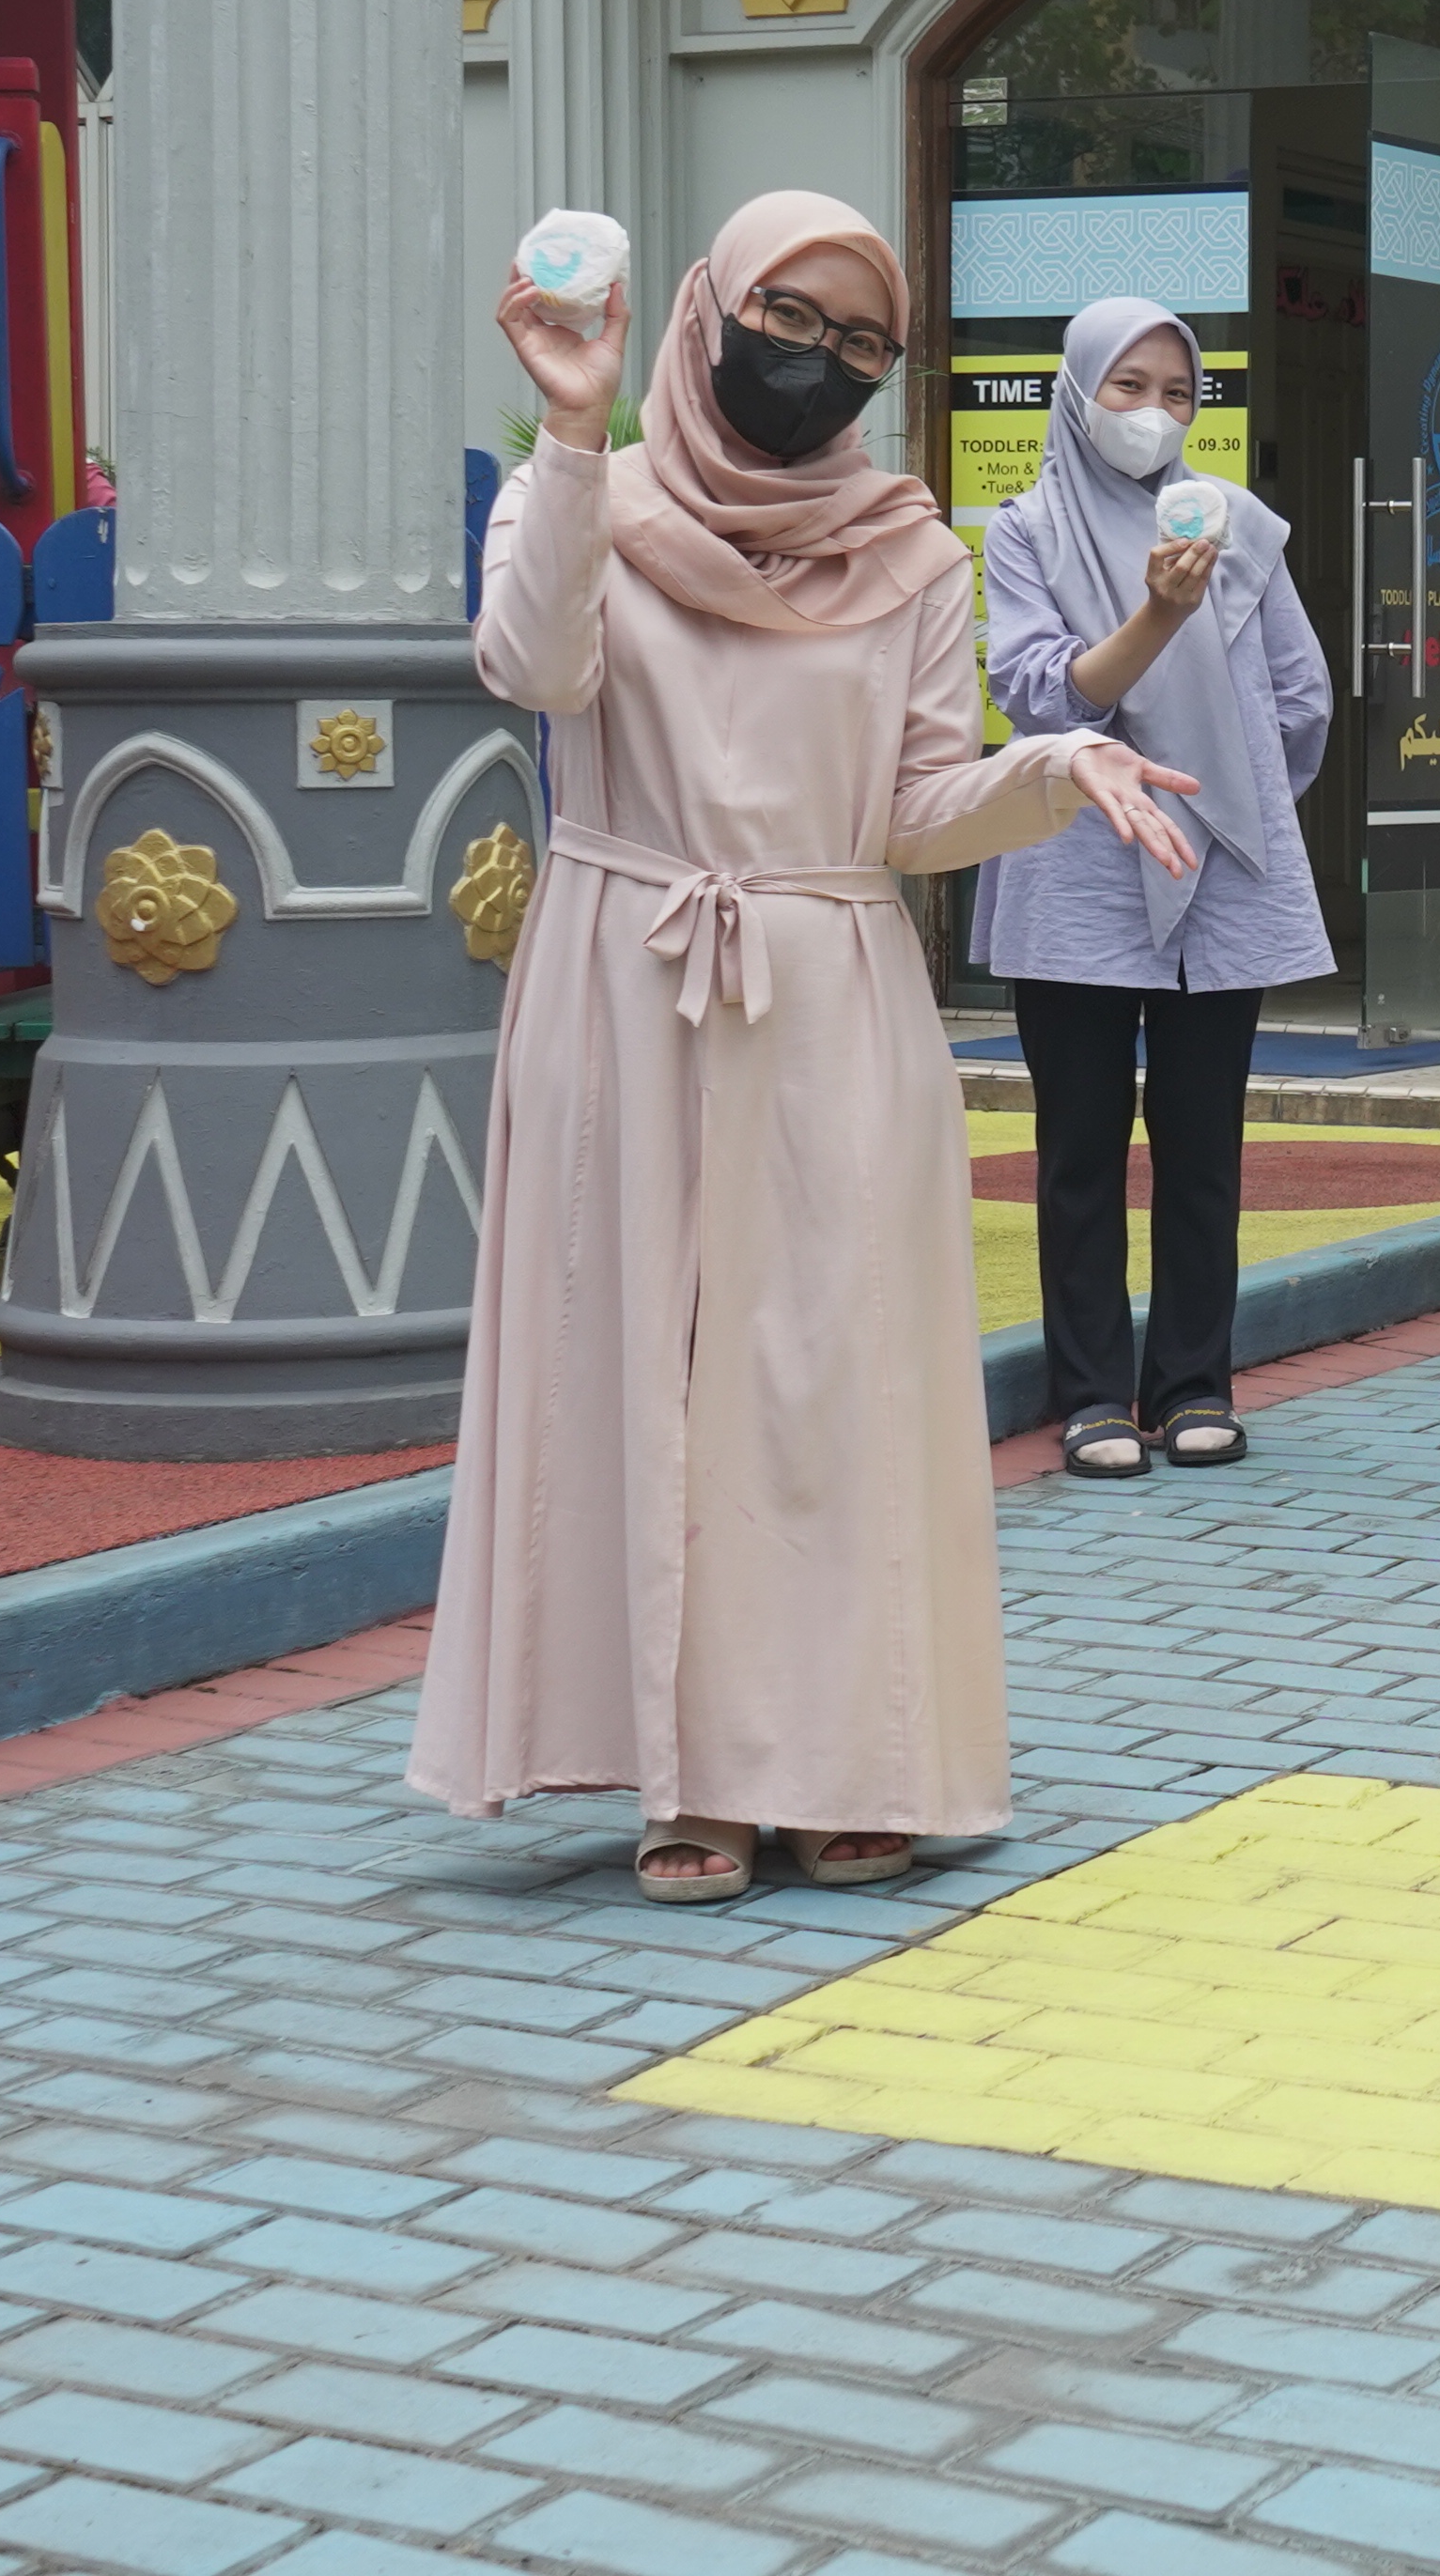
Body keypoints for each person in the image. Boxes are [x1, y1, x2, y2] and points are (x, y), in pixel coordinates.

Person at [412, 192, 1208, 1909]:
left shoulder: (918, 553)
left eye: (862, 342)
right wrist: (570, 426)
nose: (820, 362)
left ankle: (847, 1756)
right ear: (709, 307)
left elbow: (916, 811)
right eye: (790, 315)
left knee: (826, 1385)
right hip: (624, 974)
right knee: (640, 1366)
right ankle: (682, 1774)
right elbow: (528, 665)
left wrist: (1057, 766)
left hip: (834, 985)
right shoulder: (597, 506)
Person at [981, 293, 1336, 1481]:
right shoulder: (1023, 529)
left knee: (1203, 1142)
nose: (1153, 413)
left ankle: (1193, 1383)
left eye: (1177, 392)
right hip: (1072, 866)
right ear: (1078, 394)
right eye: (1127, 388)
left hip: (1216, 868)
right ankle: (1089, 1394)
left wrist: (1224, 800)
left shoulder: (1240, 525)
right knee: (1079, 1147)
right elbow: (1041, 699)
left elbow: (1302, 699)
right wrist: (1157, 616)